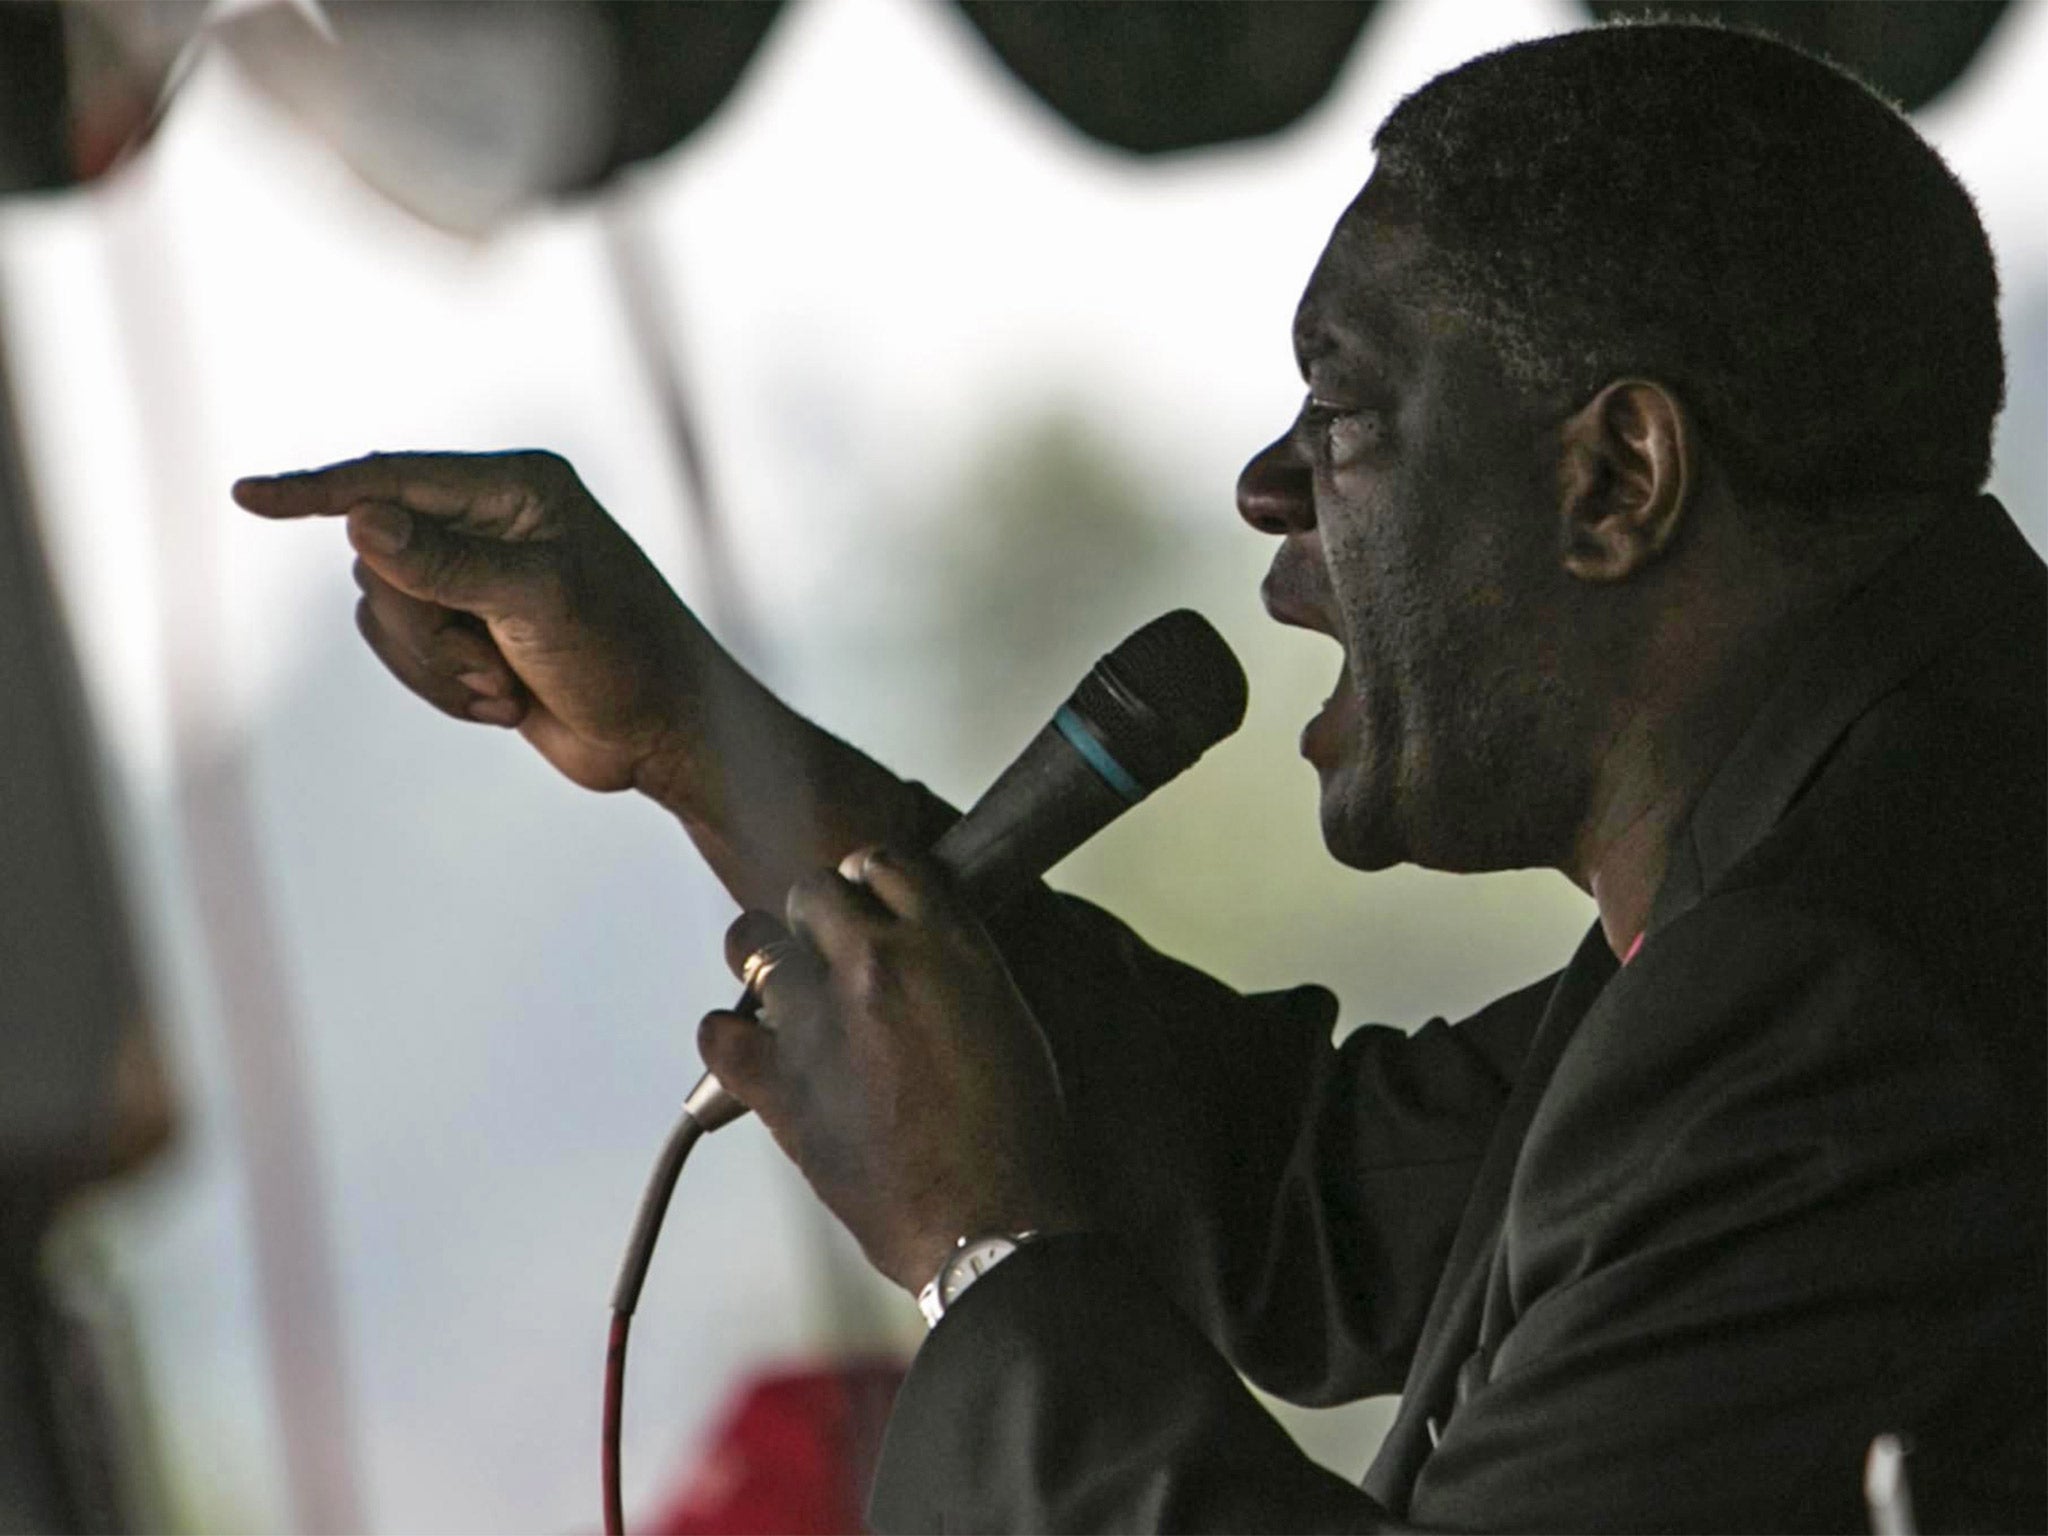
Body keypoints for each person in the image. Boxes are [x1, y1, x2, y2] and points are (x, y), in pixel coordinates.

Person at [234, 23, 2044, 1533]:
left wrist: (986, 1251)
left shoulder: (1857, 995)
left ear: (1616, 479)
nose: (1270, 490)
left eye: (1341, 414)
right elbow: (1307, 1205)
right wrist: (692, 734)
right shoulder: (1868, 861)